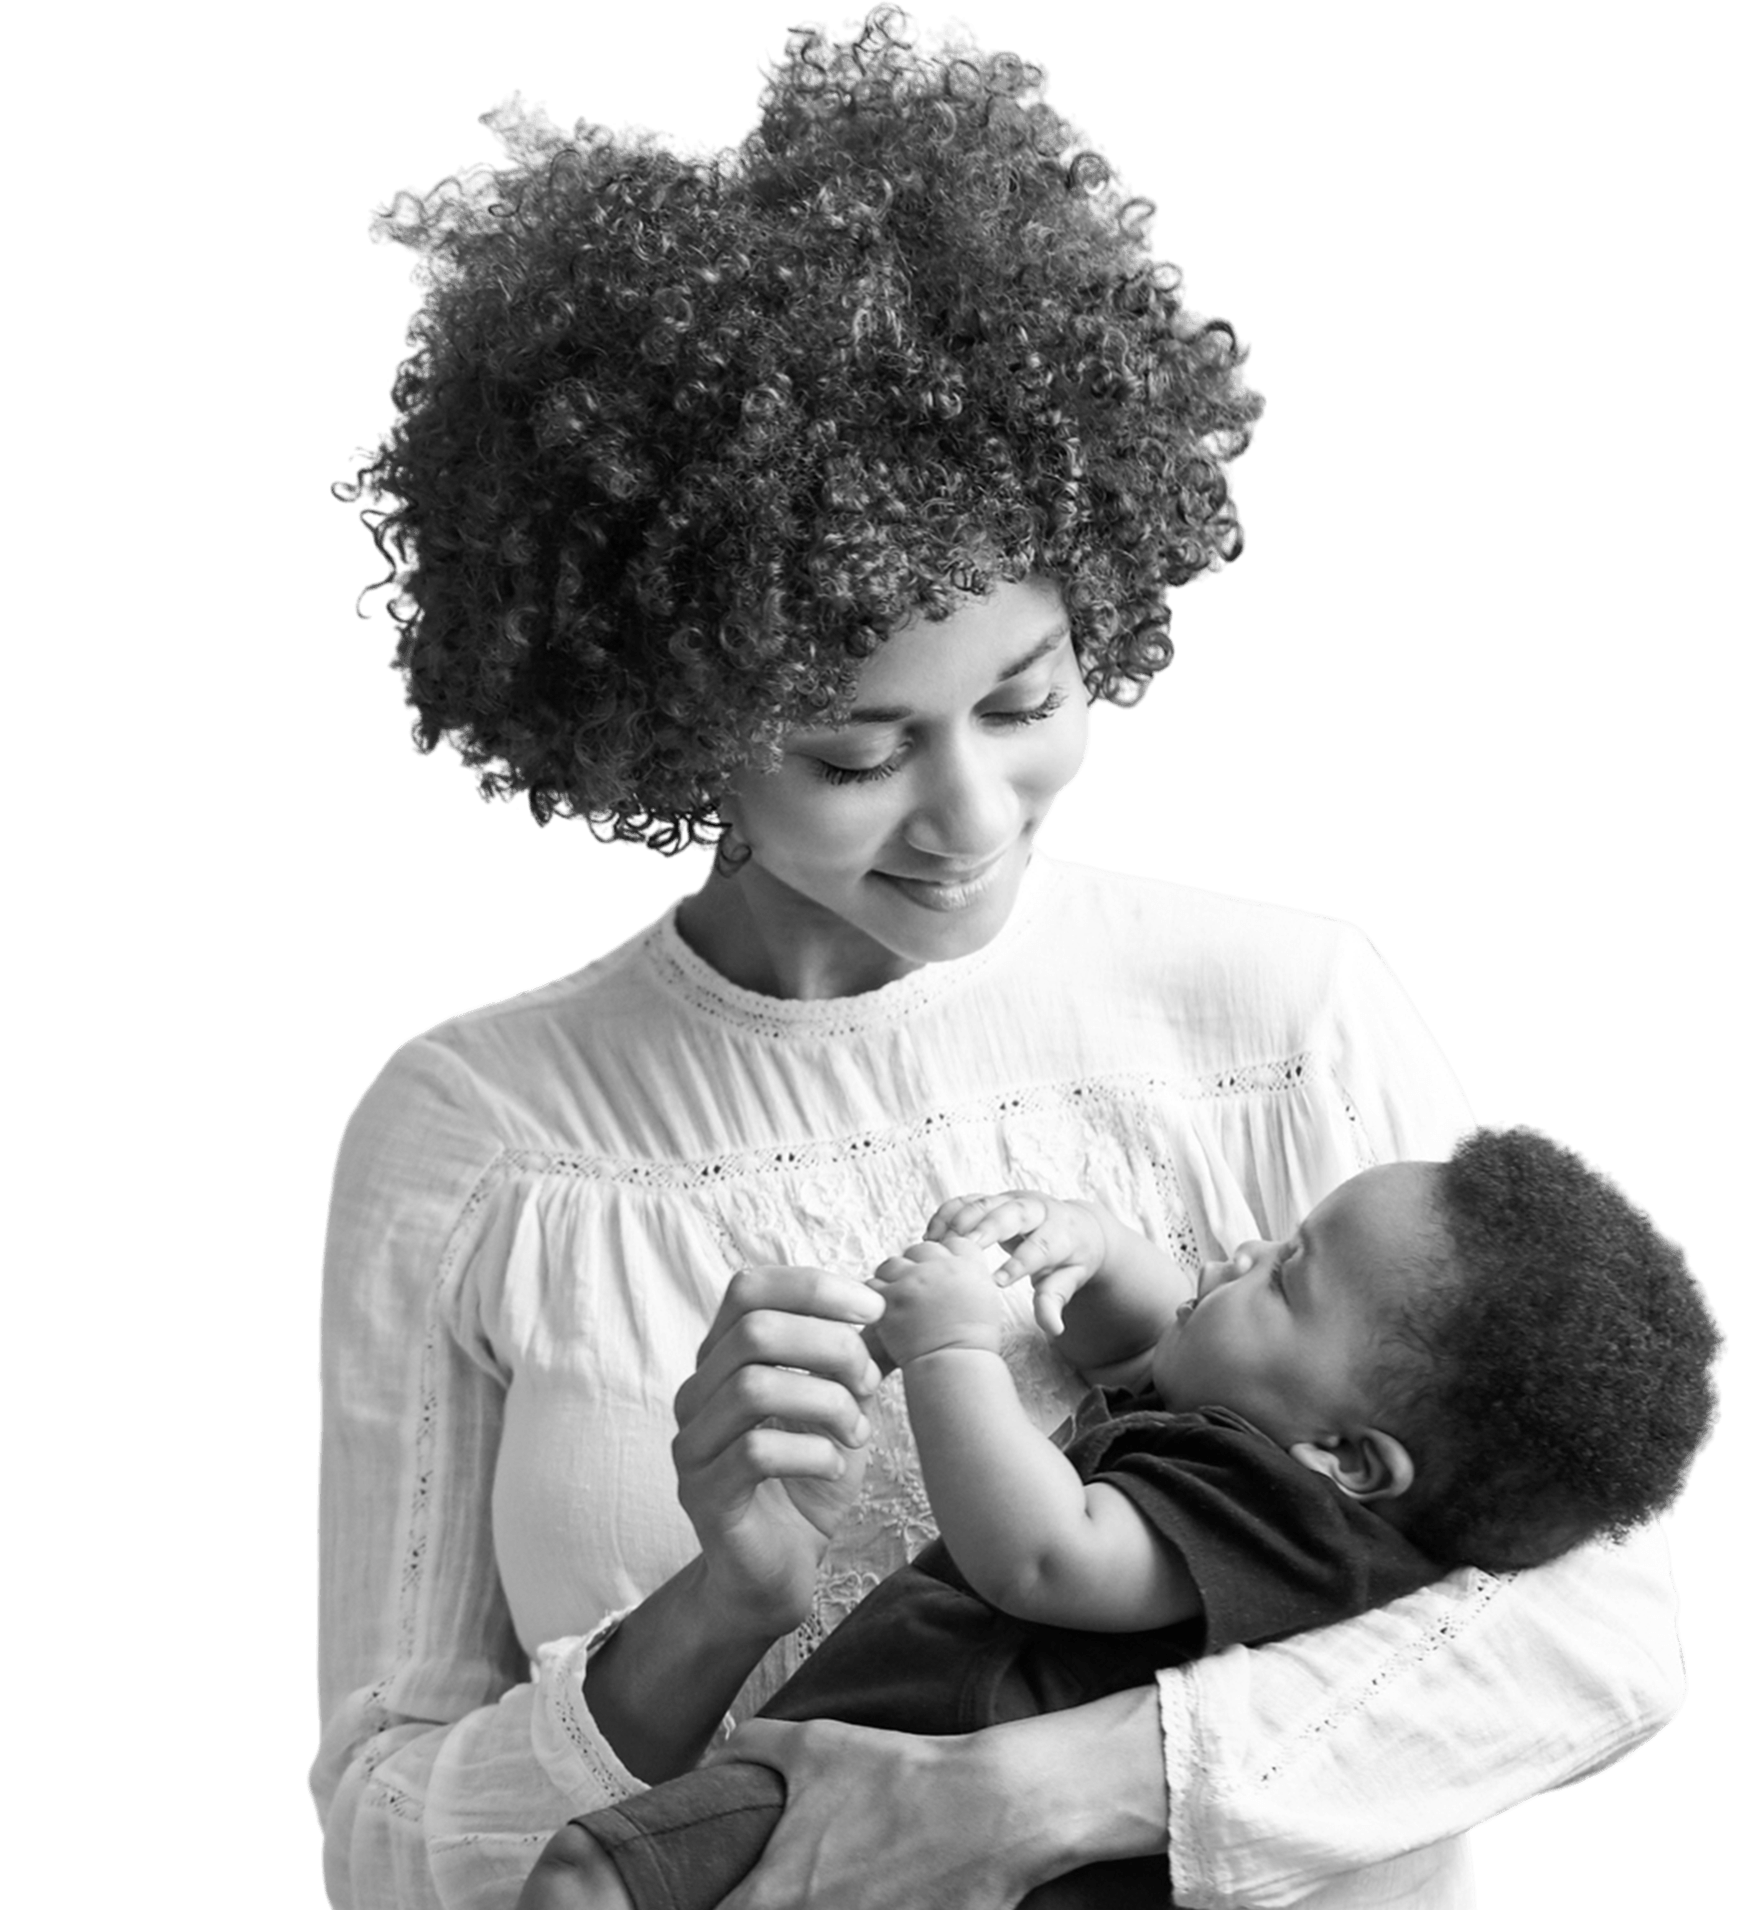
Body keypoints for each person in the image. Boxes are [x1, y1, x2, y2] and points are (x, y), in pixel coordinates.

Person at [316, 11, 1690, 1908]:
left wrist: (1038, 1791)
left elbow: (1591, 1637)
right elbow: (384, 1846)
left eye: (1028, 702)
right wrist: (719, 1606)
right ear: (653, 708)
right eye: (853, 751)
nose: (968, 816)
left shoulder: (1284, 1017)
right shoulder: (480, 1133)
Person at [523, 1128, 1726, 1910]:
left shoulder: (1283, 1516)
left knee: (590, 1875)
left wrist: (950, 1346)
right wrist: (1090, 1250)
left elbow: (1046, 1553)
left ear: (1348, 1459)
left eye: (1287, 1272)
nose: (1245, 1246)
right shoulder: (1283, 1441)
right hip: (906, 1798)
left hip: (899, 1766)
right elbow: (1147, 1343)